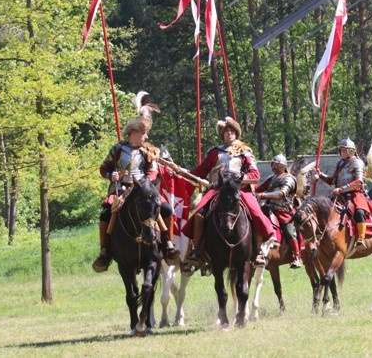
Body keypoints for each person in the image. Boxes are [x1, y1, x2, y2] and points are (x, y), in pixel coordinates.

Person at [92, 92, 179, 273]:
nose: (146, 137)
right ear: (133, 133)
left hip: (143, 189)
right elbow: (103, 168)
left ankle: (167, 244)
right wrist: (111, 175)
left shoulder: (147, 151)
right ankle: (105, 251)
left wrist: (145, 182)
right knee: (107, 213)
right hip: (121, 188)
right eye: (143, 133)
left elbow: (153, 169)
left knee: (165, 209)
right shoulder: (117, 149)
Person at [181, 116, 277, 271]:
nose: (229, 134)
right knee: (199, 214)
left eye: (232, 131)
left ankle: (258, 251)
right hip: (217, 190)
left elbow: (255, 175)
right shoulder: (214, 153)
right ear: (222, 134)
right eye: (226, 131)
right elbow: (200, 171)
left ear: (236, 133)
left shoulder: (245, 152)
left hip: (239, 189)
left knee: (257, 214)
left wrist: (238, 179)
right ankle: (196, 250)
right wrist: (184, 172)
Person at [314, 137, 370, 251]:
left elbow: (359, 182)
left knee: (359, 212)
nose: (342, 152)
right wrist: (320, 175)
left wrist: (341, 189)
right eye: (341, 150)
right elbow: (332, 181)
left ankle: (361, 238)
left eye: (344, 150)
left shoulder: (357, 163)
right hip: (339, 195)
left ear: (351, 150)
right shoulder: (340, 163)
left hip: (355, 194)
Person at [256, 154, 302, 269]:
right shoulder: (272, 178)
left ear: (283, 166)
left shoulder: (289, 178)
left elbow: (281, 193)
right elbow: (259, 188)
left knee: (289, 231)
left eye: (277, 165)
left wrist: (263, 195)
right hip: (269, 208)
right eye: (273, 165)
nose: (274, 167)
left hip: (283, 211)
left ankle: (295, 256)